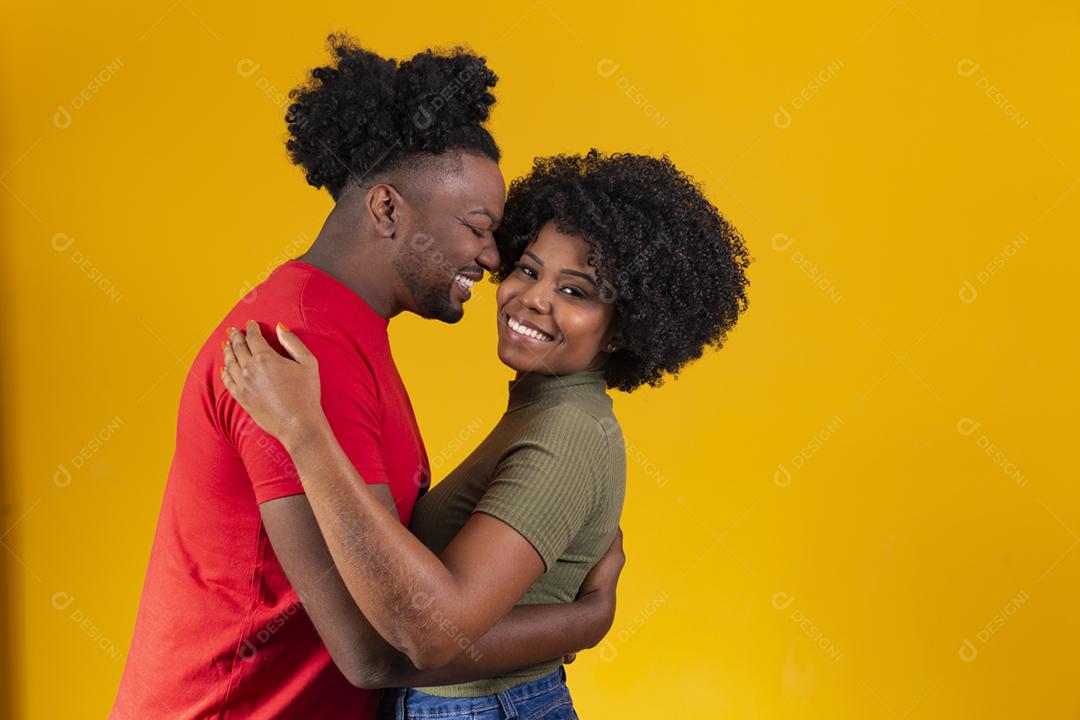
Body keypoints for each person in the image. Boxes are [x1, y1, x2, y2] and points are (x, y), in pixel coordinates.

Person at [111, 36, 624, 720]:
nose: (494, 256)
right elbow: (379, 653)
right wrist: (586, 622)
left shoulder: (347, 332)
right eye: (479, 227)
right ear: (386, 210)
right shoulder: (300, 347)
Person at [219, 149, 753, 718]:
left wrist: (304, 430)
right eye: (528, 268)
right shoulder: (543, 411)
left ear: (622, 331)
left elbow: (428, 632)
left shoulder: (566, 432)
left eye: (575, 292)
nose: (534, 298)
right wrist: (582, 621)